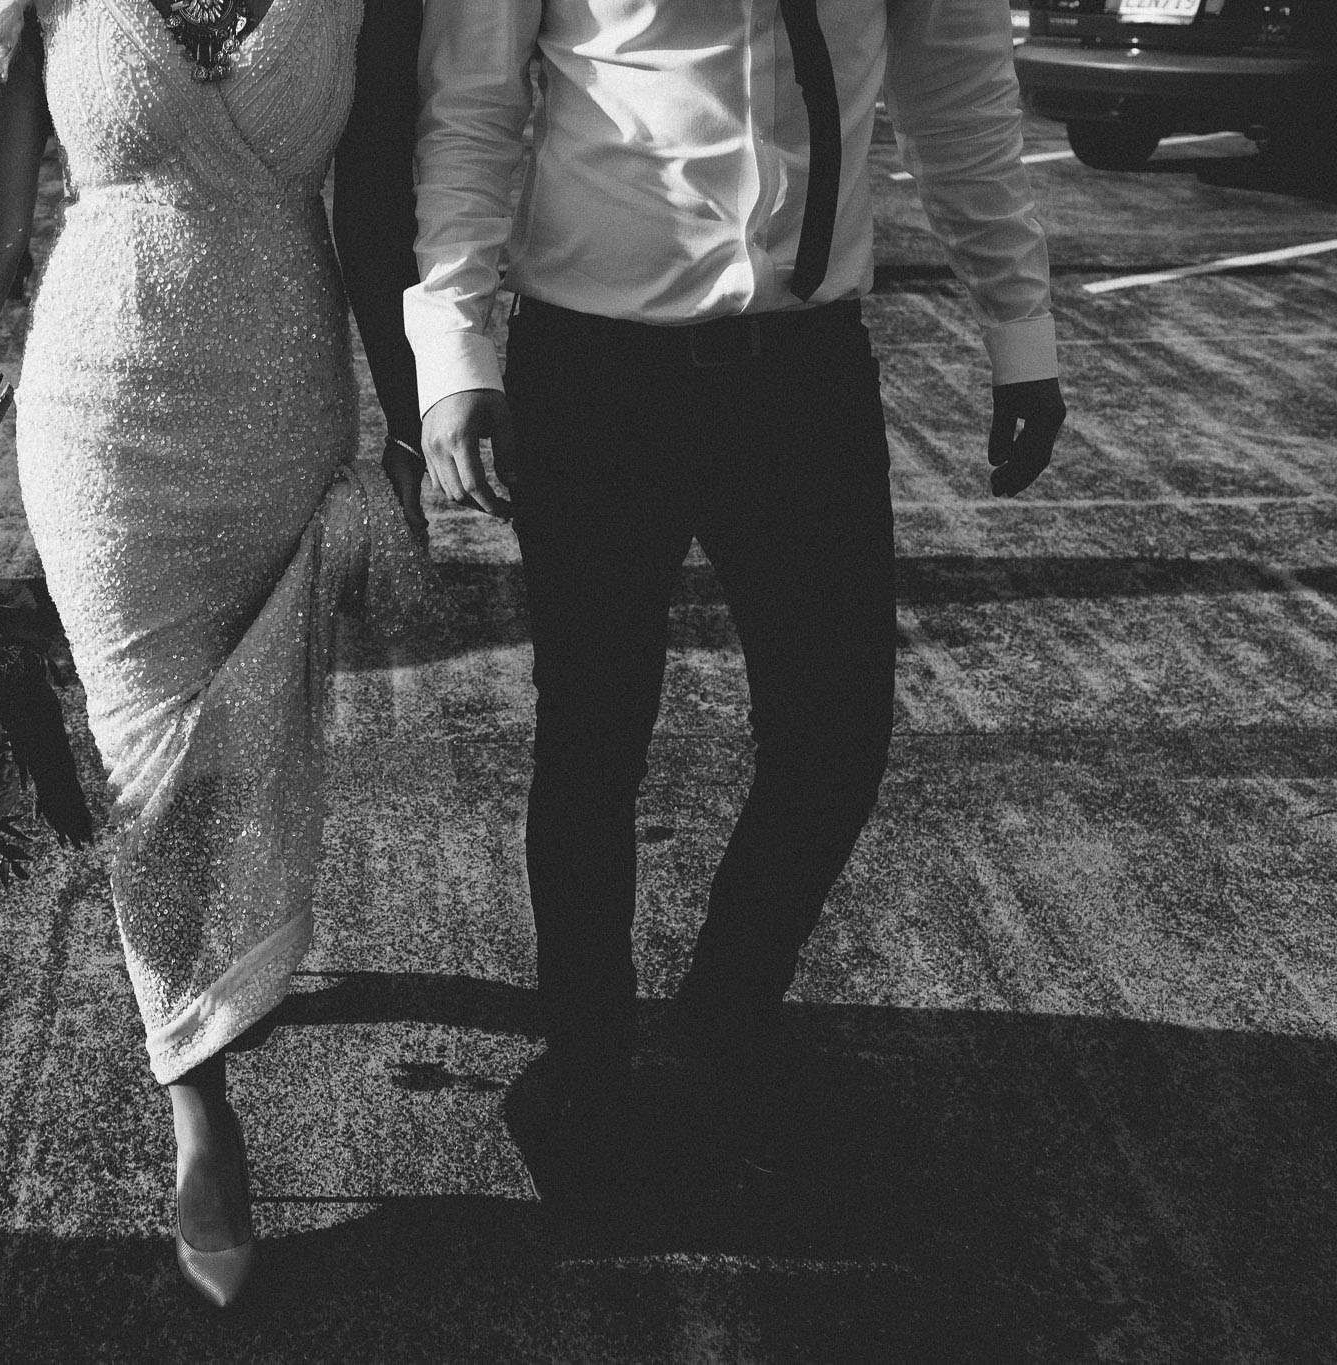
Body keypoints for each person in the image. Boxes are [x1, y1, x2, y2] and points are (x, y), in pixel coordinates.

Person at [409, 0, 1068, 1189]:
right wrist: (452, 350)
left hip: (802, 375)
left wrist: (1018, 329)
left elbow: (958, 93)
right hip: (594, 374)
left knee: (836, 736)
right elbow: (472, 108)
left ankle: (718, 1030)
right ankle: (586, 1064)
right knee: (592, 737)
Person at [0, 0, 427, 1309]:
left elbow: (379, 212)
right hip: (103, 414)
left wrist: (411, 432)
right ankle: (201, 1103)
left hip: (284, 408)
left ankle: (228, 976)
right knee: (148, 760)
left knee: (252, 738)